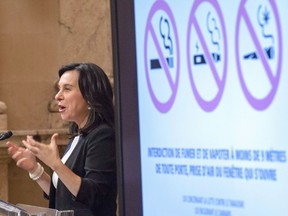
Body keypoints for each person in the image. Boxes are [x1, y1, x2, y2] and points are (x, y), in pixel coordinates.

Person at [7, 63, 117, 216]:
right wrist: (35, 170)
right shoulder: (79, 136)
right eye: (59, 88)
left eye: (67, 88)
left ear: (90, 96)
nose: (57, 96)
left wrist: (56, 164)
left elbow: (94, 195)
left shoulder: (103, 136)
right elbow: (64, 195)